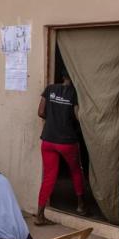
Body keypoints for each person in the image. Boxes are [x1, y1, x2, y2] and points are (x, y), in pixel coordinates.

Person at [35, 69, 86, 226]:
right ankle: (81, 206)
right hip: (67, 141)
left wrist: (53, 121)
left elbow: (40, 112)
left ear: (62, 76)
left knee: (49, 176)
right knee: (76, 171)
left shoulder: (50, 89)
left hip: (48, 139)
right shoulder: (74, 93)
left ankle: (40, 215)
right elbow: (78, 116)